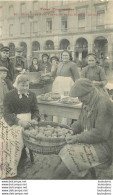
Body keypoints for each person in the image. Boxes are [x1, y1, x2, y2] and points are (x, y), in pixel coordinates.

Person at [53, 78, 113, 179]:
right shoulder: (88, 101)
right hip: (92, 141)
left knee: (68, 159)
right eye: (78, 97)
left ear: (91, 92)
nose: (79, 100)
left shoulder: (104, 103)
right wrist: (71, 130)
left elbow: (100, 133)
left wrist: (77, 138)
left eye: (81, 97)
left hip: (105, 147)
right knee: (63, 150)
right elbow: (81, 122)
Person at [1, 74, 40, 178]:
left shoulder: (32, 95)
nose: (25, 88)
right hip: (12, 121)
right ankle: (10, 163)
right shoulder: (9, 95)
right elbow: (6, 113)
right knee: (8, 139)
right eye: (22, 85)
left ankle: (20, 156)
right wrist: (18, 121)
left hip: (28, 122)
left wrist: (35, 119)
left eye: (27, 85)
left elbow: (35, 110)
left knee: (19, 137)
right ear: (16, 84)